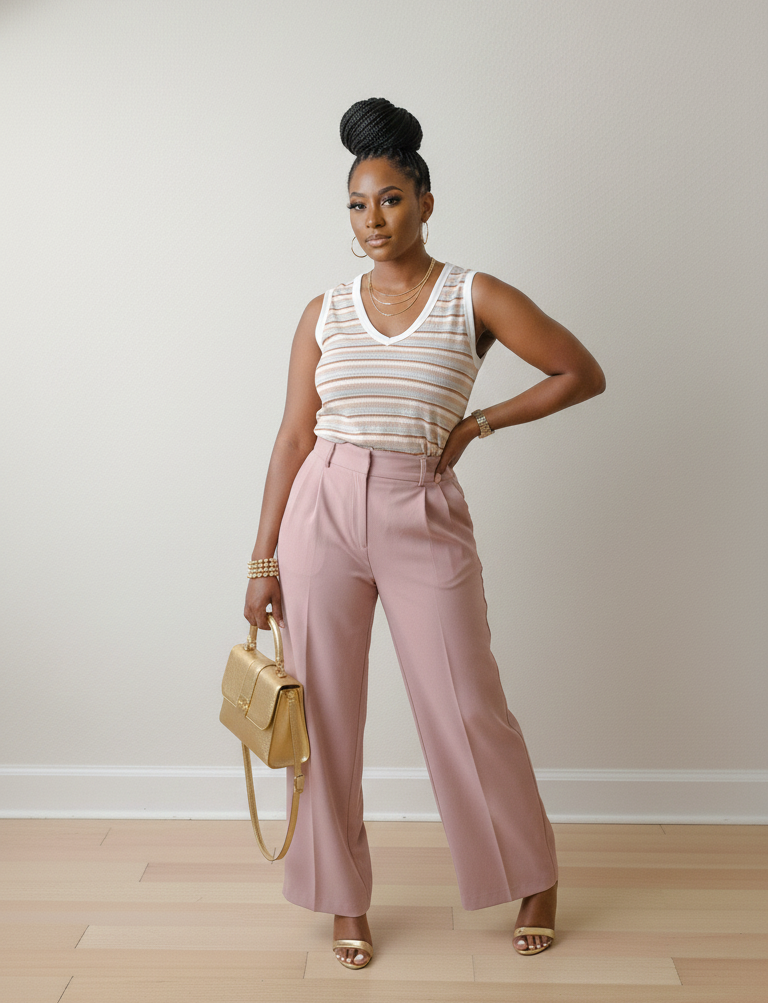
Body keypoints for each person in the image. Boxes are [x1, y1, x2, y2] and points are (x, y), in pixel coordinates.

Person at [244, 97, 606, 970]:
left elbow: (579, 371)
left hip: (421, 507)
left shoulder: (473, 295)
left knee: (466, 703)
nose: (373, 219)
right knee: (322, 714)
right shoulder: (324, 310)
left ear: (425, 201)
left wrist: (480, 424)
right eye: (357, 205)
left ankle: (533, 874)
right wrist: (262, 559)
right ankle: (342, 896)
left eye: (391, 200)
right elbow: (292, 437)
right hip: (323, 509)